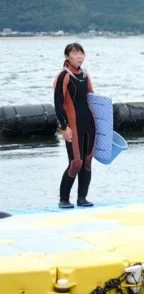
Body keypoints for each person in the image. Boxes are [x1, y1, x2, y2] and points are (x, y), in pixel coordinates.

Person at [54, 43, 96, 208]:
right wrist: (64, 127)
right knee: (76, 162)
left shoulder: (85, 75)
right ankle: (64, 199)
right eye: (75, 53)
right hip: (73, 125)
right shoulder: (64, 76)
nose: (79, 56)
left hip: (89, 123)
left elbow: (93, 99)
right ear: (67, 57)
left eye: (81, 53)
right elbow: (58, 104)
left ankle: (82, 198)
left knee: (87, 161)